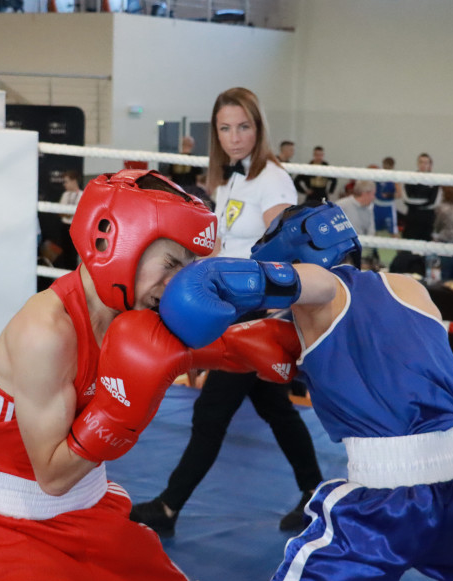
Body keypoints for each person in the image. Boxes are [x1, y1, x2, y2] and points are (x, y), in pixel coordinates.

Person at [158, 202, 453, 581]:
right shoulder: (412, 289)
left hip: (390, 501)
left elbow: (308, 282)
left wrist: (211, 282)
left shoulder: (324, 289)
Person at [0, 168, 305, 581]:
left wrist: (255, 346)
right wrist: (119, 411)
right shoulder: (42, 332)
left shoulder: (134, 311)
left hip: (96, 518)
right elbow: (51, 476)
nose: (175, 284)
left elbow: (196, 347)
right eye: (169, 264)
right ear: (116, 241)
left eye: (187, 268)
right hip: (17, 535)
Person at [130, 87, 323, 538]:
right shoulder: (232, 179)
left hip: (255, 313)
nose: (235, 137)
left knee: (212, 413)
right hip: (233, 308)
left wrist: (262, 314)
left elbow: (283, 248)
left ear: (258, 128)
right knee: (276, 409)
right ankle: (315, 492)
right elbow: (220, 246)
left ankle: (169, 506)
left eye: (244, 126)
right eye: (225, 128)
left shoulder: (271, 178)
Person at [372, 156, 399, 235]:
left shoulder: (395, 177)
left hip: (388, 207)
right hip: (376, 206)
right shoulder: (377, 175)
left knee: (393, 232)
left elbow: (399, 194)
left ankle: (399, 246)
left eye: (388, 166)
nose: (386, 167)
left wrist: (389, 195)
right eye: (385, 165)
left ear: (392, 166)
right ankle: (373, 247)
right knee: (373, 230)